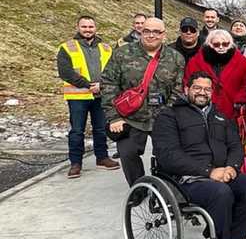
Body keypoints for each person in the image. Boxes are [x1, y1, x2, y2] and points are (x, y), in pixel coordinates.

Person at [152, 71, 246, 239]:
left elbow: (236, 146)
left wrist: (232, 167)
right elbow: (168, 155)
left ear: (212, 92)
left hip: (222, 173)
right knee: (221, 192)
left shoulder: (220, 115)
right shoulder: (169, 116)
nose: (202, 92)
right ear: (187, 89)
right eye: (197, 88)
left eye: (207, 89)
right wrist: (208, 171)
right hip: (188, 180)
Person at [103, 17, 185, 187]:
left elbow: (179, 89)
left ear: (164, 35)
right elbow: (108, 83)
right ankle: (138, 187)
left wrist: (168, 115)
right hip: (131, 117)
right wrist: (114, 117)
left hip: (163, 117)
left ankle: (164, 188)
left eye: (157, 32)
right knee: (127, 153)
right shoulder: (122, 54)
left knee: (166, 154)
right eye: (147, 31)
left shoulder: (176, 58)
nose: (151, 35)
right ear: (140, 32)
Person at [57, 15, 119, 178]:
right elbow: (65, 72)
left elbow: (113, 70)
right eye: (84, 26)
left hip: (101, 95)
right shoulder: (67, 47)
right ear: (78, 27)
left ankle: (102, 158)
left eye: (90, 27)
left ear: (95, 28)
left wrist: (101, 85)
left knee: (100, 129)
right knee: (77, 131)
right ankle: (76, 163)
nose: (87, 30)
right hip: (78, 97)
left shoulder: (106, 48)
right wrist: (87, 84)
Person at [184, 29, 246, 122]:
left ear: (231, 44)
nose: (221, 47)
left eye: (225, 44)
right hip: (201, 110)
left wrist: (240, 99)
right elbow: (187, 83)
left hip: (232, 111)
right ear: (209, 44)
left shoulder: (242, 62)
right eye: (216, 44)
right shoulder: (196, 61)